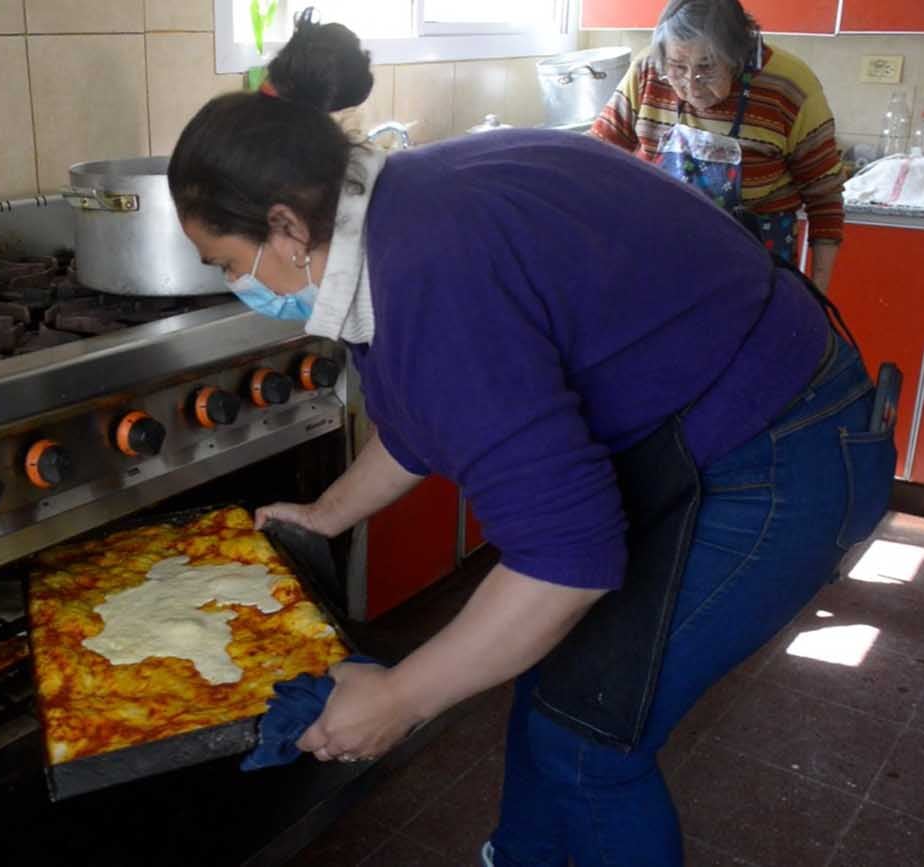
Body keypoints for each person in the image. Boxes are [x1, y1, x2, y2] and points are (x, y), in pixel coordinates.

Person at [168, 13, 895, 867]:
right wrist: (327, 513)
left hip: (784, 451)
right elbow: (417, 420)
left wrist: (401, 696)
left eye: (224, 260)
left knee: (590, 742)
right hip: (719, 425)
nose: (232, 283)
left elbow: (566, 559)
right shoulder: (397, 208)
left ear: (288, 227)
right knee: (556, 691)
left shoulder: (432, 267)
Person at [591, 0, 845, 291]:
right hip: (662, 259)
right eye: (677, 68)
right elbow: (596, 155)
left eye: (707, 68)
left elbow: (824, 198)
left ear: (738, 57)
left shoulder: (788, 86)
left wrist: (817, 293)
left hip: (756, 270)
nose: (691, 84)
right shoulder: (648, 70)